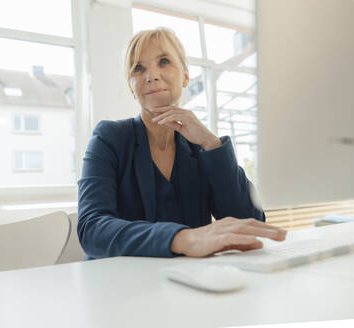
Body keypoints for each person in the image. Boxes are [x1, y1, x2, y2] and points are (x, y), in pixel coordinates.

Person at [77, 27, 286, 260]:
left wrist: (211, 143)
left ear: (185, 76)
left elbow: (250, 223)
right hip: (121, 283)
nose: (152, 75)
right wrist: (183, 238)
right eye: (139, 68)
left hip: (189, 282)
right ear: (130, 86)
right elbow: (91, 228)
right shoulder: (109, 137)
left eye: (164, 61)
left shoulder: (201, 148)